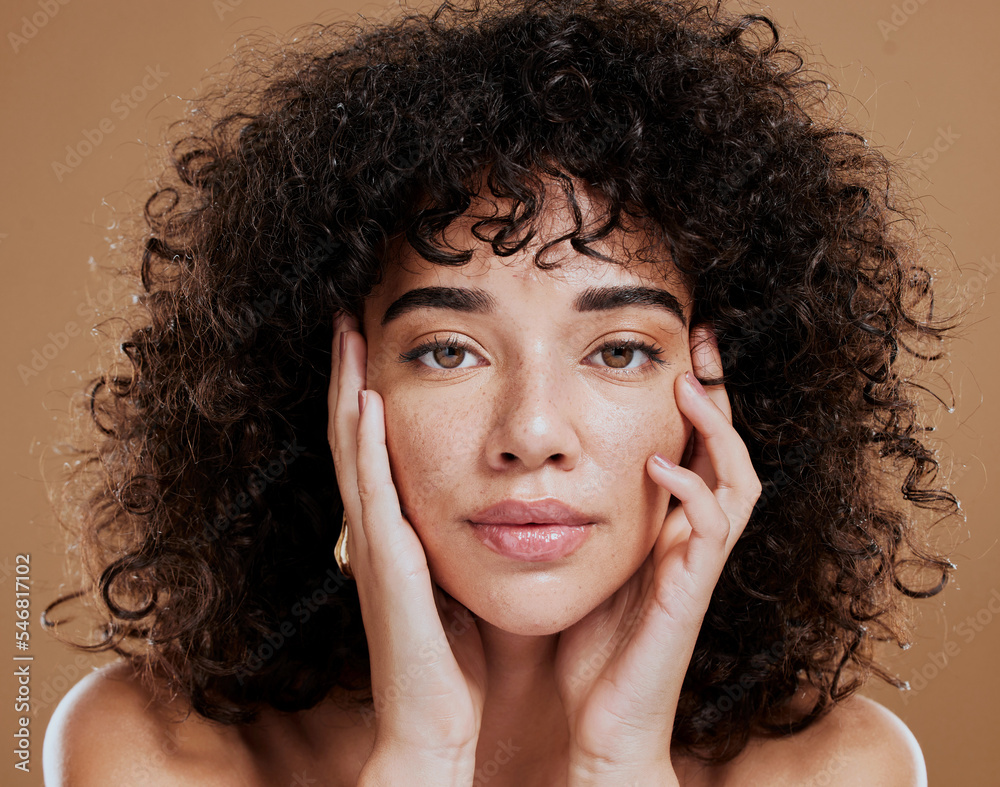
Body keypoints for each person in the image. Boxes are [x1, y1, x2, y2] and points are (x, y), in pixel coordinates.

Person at [41, 0, 956, 783]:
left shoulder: (833, 766)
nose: (532, 432)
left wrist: (621, 764)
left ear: (724, 394)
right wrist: (421, 754)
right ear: (331, 385)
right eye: (447, 351)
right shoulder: (151, 750)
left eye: (622, 352)